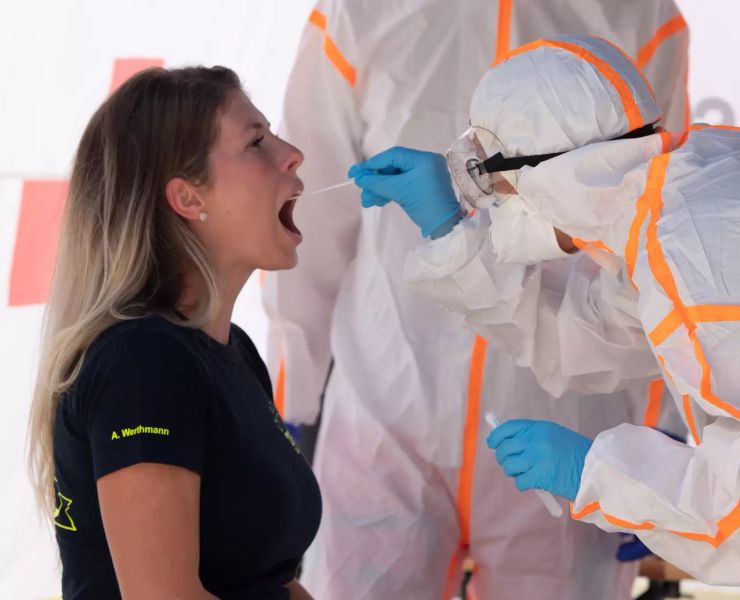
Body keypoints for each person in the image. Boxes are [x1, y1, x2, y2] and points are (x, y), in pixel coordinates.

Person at [350, 34, 740, 598]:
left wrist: (594, 472)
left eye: (499, 185)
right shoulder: (695, 188)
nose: (493, 203)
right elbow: (583, 338)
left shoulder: (708, 247)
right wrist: (451, 232)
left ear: (559, 174)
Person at [263, 1, 690, 598]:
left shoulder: (635, 11)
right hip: (386, 405)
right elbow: (310, 209)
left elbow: (653, 215)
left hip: (569, 409)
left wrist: (662, 435)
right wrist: (290, 399)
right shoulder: (358, 11)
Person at [27, 66, 320, 600]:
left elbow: (271, 581)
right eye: (256, 142)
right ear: (188, 199)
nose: (291, 153)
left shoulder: (231, 352)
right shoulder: (141, 363)